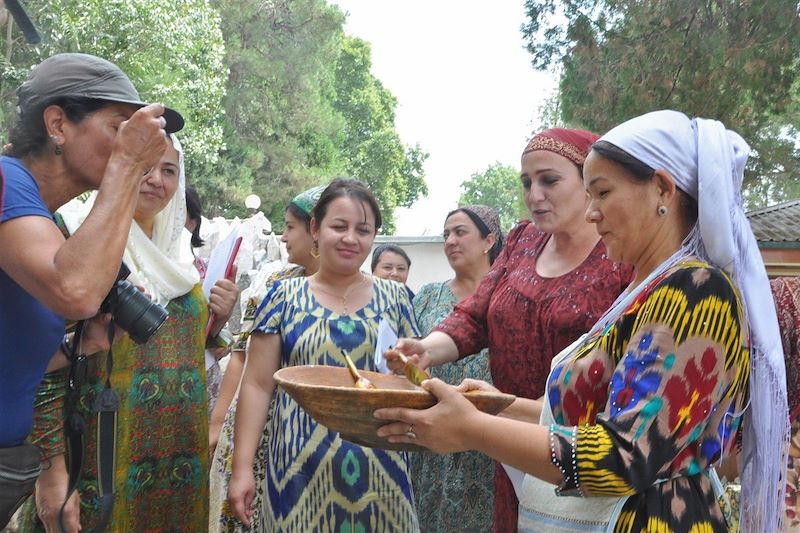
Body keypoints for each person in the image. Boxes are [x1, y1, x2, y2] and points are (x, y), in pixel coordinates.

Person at [377, 110, 788, 532]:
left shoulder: (697, 291)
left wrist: (474, 429)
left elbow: (625, 454)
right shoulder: (642, 293)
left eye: (603, 193)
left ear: (662, 188)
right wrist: (497, 406)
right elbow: (592, 414)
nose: (591, 213)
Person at [385, 128, 634, 532]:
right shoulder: (522, 241)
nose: (534, 195)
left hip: (578, 447)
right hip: (505, 439)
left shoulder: (621, 253)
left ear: (590, 182)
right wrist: (426, 349)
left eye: (549, 180)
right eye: (526, 182)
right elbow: (475, 315)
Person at [17, 135, 239, 532]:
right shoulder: (73, 239)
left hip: (177, 468)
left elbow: (174, 343)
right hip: (99, 463)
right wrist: (51, 473)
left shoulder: (181, 257)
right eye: (144, 166)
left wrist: (214, 326)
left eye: (169, 170)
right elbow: (38, 365)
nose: (156, 180)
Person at [0, 52, 179, 528]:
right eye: (119, 127)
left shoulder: (45, 220)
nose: (137, 148)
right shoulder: (4, 180)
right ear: (57, 124)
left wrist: (80, 346)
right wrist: (125, 165)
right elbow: (75, 291)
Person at [228, 178, 421, 531]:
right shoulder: (283, 297)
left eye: (363, 229)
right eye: (339, 226)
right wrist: (242, 468)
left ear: (374, 235)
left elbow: (417, 380)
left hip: (382, 472)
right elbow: (256, 385)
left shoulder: (397, 299)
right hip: (297, 473)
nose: (351, 238)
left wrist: (408, 372)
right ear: (316, 229)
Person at [208, 183, 324, 533]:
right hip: (255, 431)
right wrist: (216, 425)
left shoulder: (357, 295)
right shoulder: (275, 283)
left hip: (311, 437)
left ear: (315, 229)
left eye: (290, 227)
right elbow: (241, 359)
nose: (284, 237)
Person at [410, 204, 503, 533]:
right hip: (432, 441)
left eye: (460, 232)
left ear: (488, 240)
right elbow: (409, 369)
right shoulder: (426, 297)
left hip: (491, 443)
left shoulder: (507, 300)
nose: (450, 240)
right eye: (446, 234)